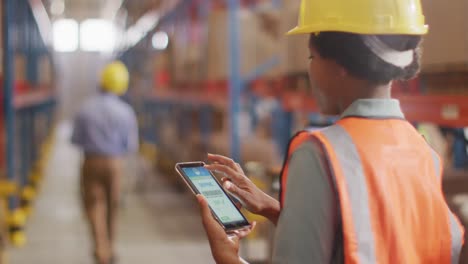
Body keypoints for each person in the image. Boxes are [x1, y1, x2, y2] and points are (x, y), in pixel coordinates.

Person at [197, 0, 465, 263]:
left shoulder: (320, 155)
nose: (309, 70)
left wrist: (227, 257)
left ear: (339, 65)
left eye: (312, 56)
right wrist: (278, 212)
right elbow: (381, 242)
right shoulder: (423, 153)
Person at [71, 61, 138, 264]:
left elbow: (76, 140)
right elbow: (130, 145)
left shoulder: (85, 108)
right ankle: (110, 247)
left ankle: (100, 249)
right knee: (112, 205)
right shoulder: (126, 111)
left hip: (91, 161)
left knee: (94, 205)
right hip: (115, 163)